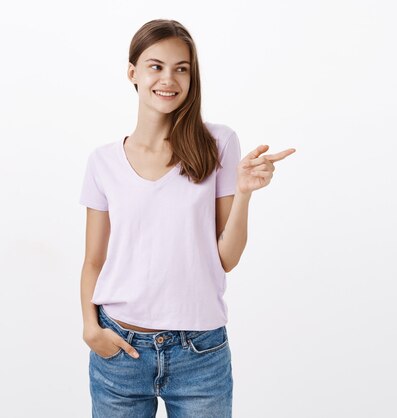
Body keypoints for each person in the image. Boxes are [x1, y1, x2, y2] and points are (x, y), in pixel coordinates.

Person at [79, 19, 295, 417]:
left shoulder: (218, 144)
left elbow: (225, 258)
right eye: (156, 66)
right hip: (120, 350)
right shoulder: (102, 162)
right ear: (133, 73)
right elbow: (94, 259)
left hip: (200, 354)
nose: (169, 79)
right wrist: (92, 329)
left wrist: (244, 192)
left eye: (182, 68)